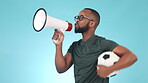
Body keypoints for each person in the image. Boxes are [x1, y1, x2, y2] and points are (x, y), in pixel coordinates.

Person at [52, 8, 138, 83]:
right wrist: (58, 45)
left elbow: (131, 56)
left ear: (91, 24)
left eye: (81, 17)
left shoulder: (102, 43)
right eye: (77, 17)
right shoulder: (75, 46)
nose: (76, 20)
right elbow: (61, 68)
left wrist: (110, 70)